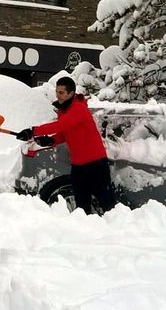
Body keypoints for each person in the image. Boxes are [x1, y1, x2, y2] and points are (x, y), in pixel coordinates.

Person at [16, 75, 116, 215]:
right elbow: (65, 133)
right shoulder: (64, 110)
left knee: (106, 203)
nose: (58, 95)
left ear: (71, 93)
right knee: (81, 205)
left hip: (95, 164)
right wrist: (51, 140)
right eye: (57, 92)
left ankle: (116, 231)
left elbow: (61, 125)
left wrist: (33, 131)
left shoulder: (78, 109)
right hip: (78, 165)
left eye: (62, 92)